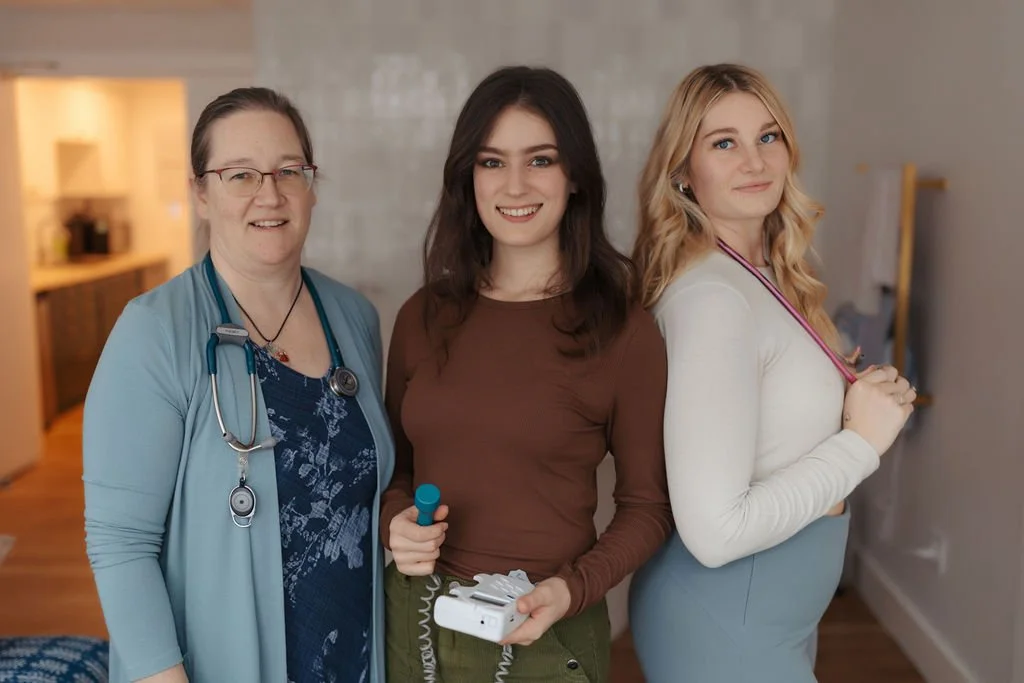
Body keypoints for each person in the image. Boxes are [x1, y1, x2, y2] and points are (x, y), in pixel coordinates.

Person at [82, 87, 394, 683]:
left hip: (350, 653)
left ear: (311, 185)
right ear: (201, 192)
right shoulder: (156, 332)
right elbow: (120, 545)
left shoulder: (355, 318)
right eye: (240, 174)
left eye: (288, 171)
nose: (269, 194)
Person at [380, 65, 674, 682]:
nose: (514, 184)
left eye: (540, 159)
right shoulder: (422, 316)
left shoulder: (624, 330)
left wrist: (572, 590)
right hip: (415, 622)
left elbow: (647, 506)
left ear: (575, 178)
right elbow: (396, 473)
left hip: (547, 629)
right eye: (491, 162)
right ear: (468, 178)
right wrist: (394, 525)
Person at [627, 63, 916, 683]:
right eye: (723, 143)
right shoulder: (714, 301)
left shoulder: (760, 275)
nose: (754, 161)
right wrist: (861, 442)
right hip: (727, 626)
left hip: (767, 617)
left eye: (769, 136)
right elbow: (716, 531)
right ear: (682, 171)